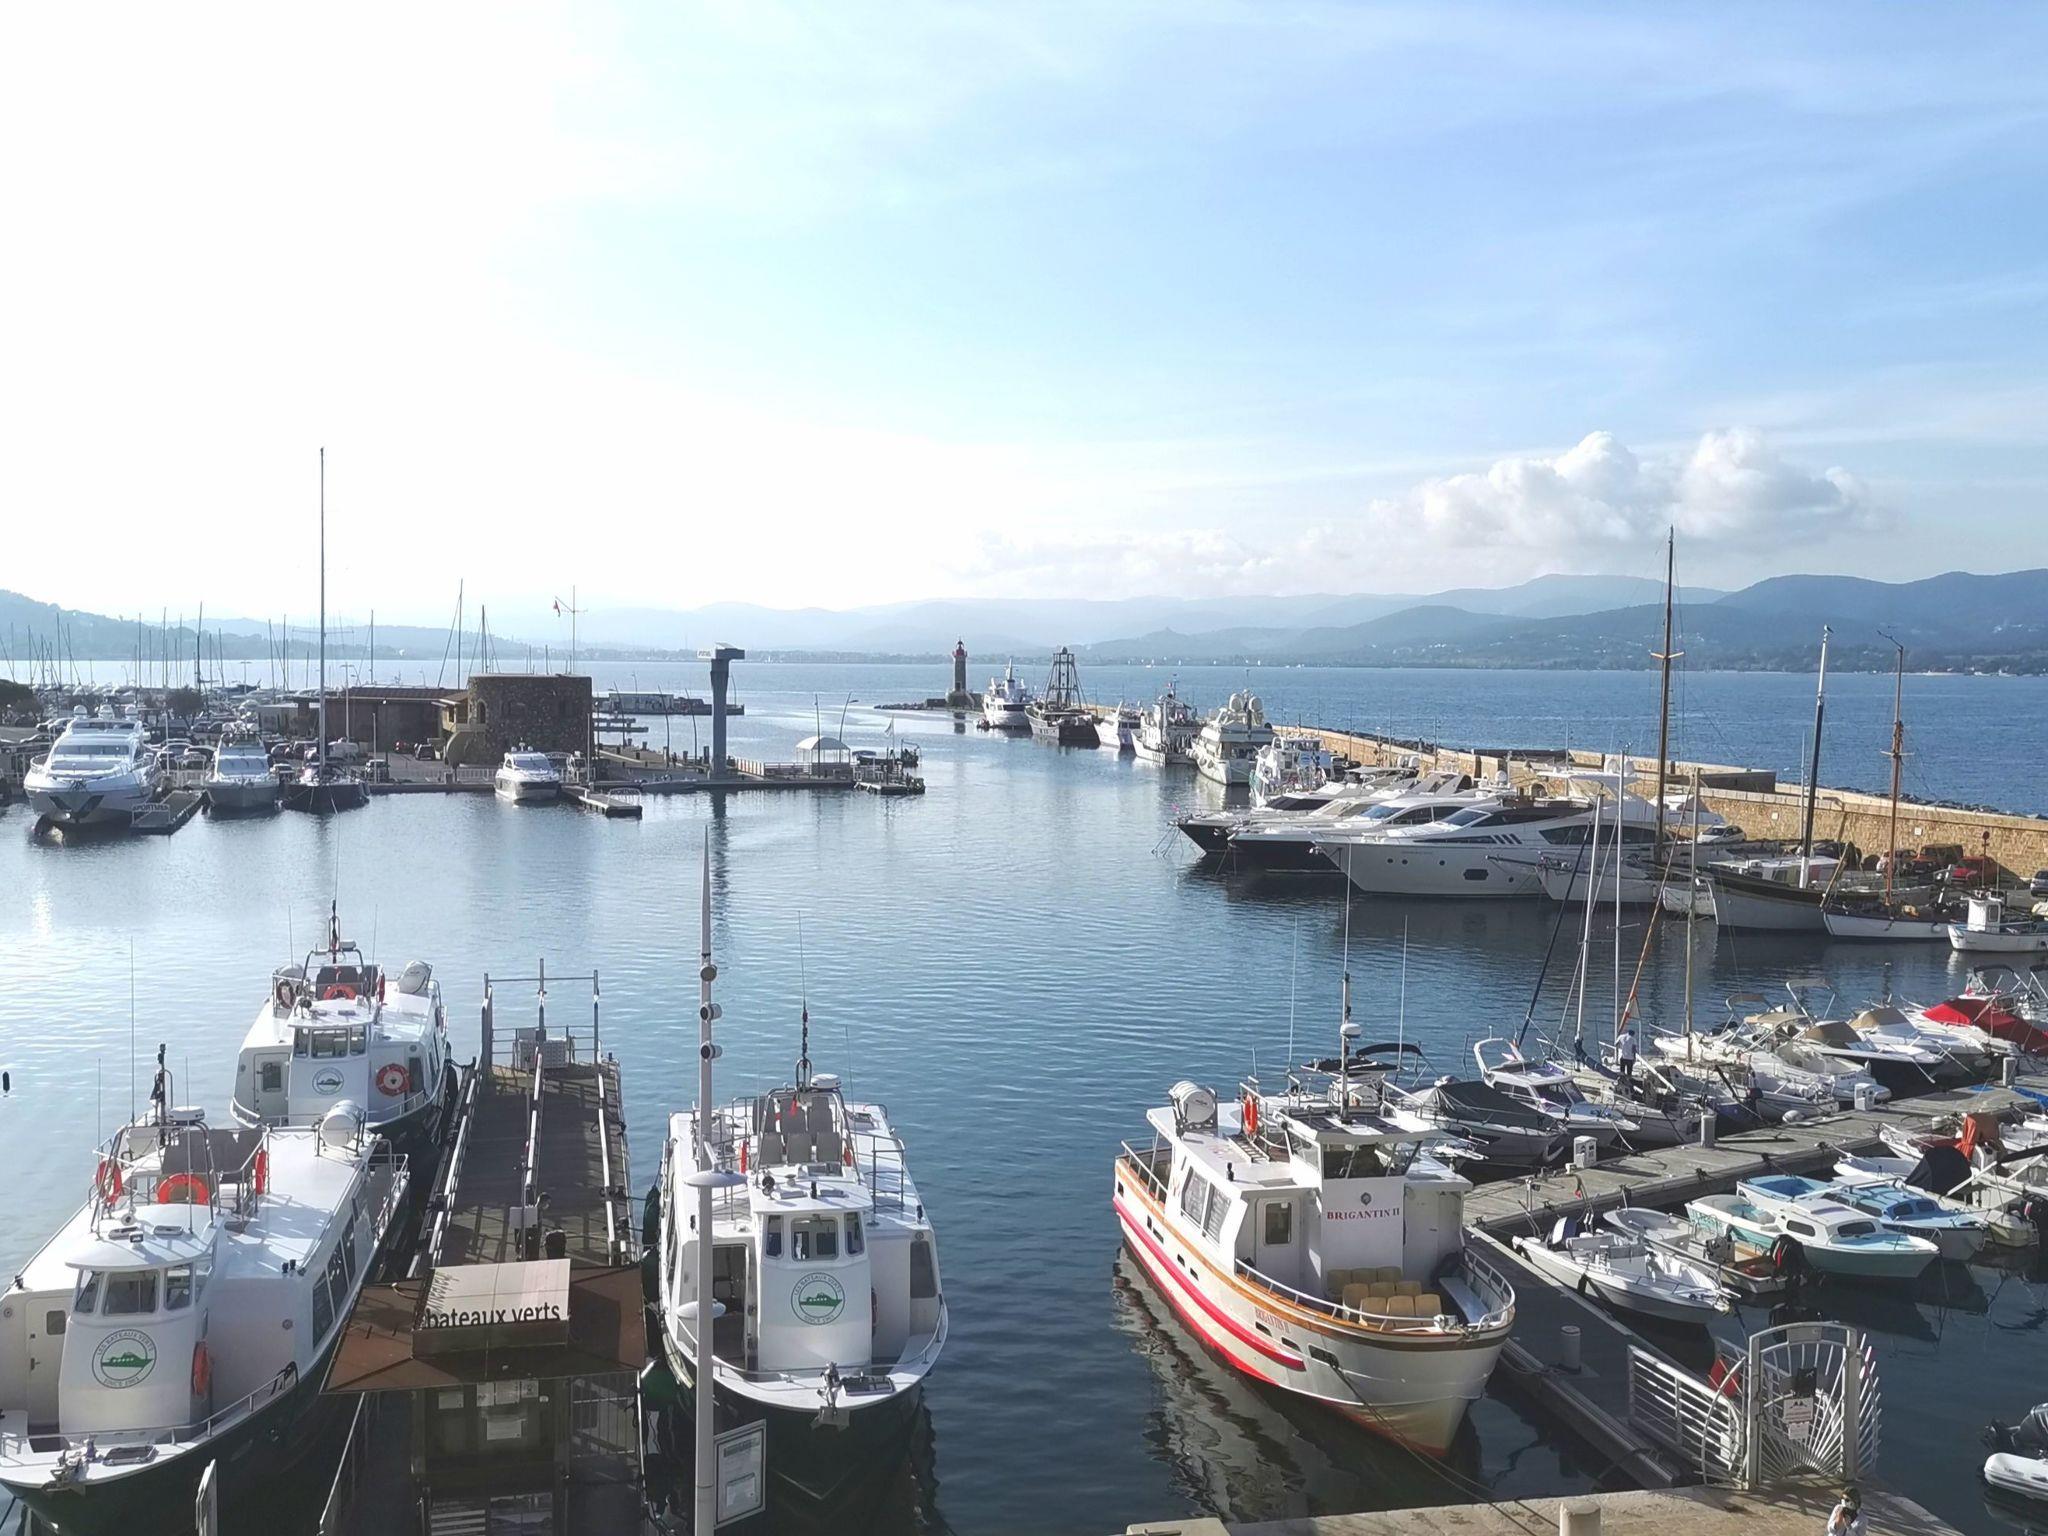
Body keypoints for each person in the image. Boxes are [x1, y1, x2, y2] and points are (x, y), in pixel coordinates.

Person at [1615, 1022, 1639, 1089]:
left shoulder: (1621, 1036)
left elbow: (1616, 1044)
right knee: (1629, 1073)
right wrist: (1634, 1058)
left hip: (1623, 1057)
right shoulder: (1633, 1039)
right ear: (1633, 1034)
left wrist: (1622, 1047)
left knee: (1622, 1071)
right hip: (1630, 1058)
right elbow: (1633, 1049)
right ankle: (1628, 1084)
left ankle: (1621, 1083)